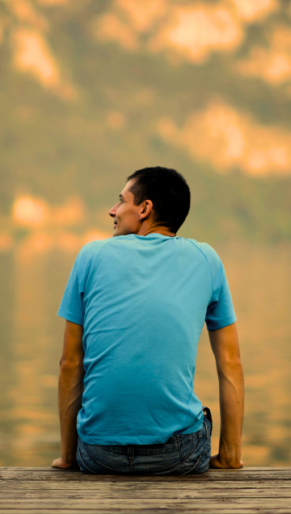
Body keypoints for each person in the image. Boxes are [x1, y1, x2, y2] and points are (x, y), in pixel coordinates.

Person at [51, 166, 245, 475]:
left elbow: (70, 362)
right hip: (180, 456)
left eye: (121, 200)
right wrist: (230, 455)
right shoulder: (207, 259)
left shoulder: (91, 256)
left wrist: (68, 457)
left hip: (99, 456)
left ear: (144, 208)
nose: (112, 210)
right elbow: (230, 362)